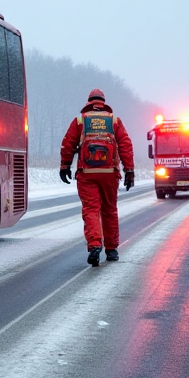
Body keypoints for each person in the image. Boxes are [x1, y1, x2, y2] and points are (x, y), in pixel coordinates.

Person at [60, 89, 135, 266]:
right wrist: (129, 170)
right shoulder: (114, 121)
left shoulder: (80, 121)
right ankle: (112, 249)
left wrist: (65, 166)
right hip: (110, 173)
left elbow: (68, 144)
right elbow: (125, 145)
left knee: (91, 209)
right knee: (109, 210)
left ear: (89, 102)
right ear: (103, 102)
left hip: (87, 173)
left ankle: (94, 245)